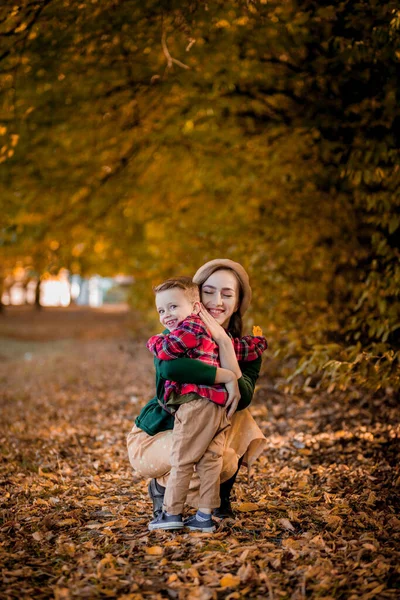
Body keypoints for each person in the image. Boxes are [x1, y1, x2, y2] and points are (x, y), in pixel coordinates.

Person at [127, 258, 268, 521]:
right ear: (196, 299)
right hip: (156, 436)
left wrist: (224, 344)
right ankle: (162, 490)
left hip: (200, 430)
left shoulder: (245, 347)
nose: (217, 301)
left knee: (230, 433)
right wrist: (226, 376)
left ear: (237, 303)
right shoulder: (175, 333)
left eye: (227, 294)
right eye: (209, 292)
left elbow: (244, 397)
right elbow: (170, 369)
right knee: (198, 452)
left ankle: (216, 500)